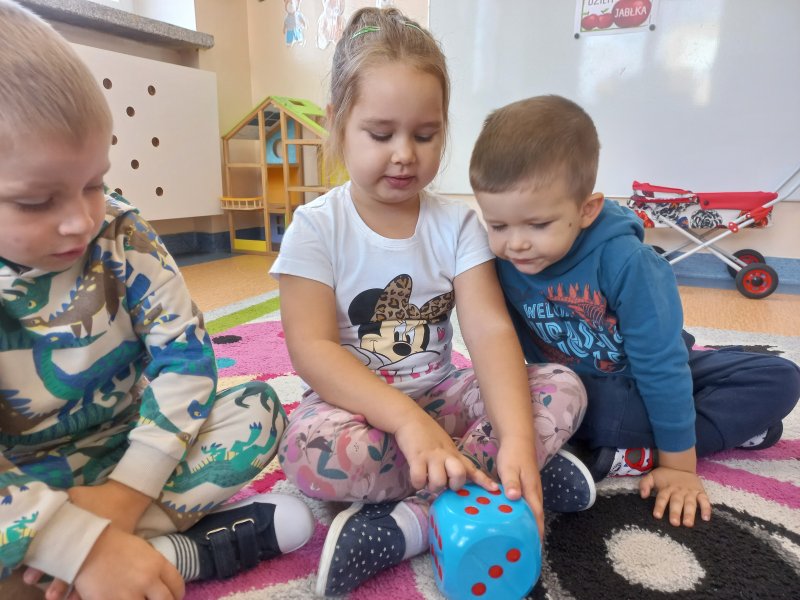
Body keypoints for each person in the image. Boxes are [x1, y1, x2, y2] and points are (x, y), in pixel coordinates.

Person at [270, 8, 593, 597]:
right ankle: (501, 484)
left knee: (560, 386)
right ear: (336, 123)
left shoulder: (457, 224)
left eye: (425, 135)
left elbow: (489, 331)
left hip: (445, 397)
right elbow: (312, 349)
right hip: (359, 412)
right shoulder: (315, 228)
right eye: (381, 134)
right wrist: (405, 422)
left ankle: (415, 521)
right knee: (307, 453)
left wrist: (517, 439)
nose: (404, 154)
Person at [0, 2, 314, 598]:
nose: (80, 221)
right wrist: (67, 538)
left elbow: (187, 360)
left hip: (131, 454)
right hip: (19, 490)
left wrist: (125, 494)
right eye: (36, 202)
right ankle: (168, 556)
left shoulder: (123, 234)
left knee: (258, 410)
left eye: (94, 183)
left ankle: (102, 565)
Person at [468, 94, 800, 529]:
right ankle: (707, 434)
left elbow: (662, 365)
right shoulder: (497, 264)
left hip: (650, 374)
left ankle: (628, 454)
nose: (516, 244)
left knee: (780, 376)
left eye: (538, 224)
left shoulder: (629, 263)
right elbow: (499, 355)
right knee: (526, 404)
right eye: (498, 226)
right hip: (574, 392)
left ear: (586, 210)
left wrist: (679, 467)